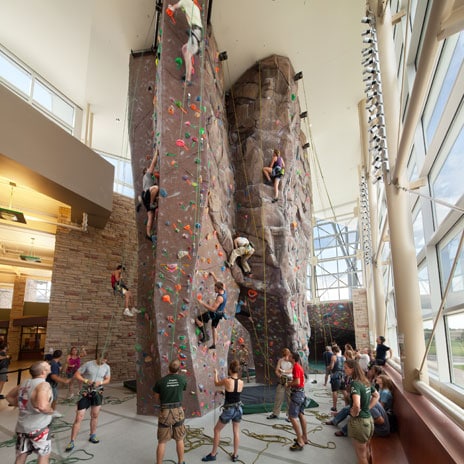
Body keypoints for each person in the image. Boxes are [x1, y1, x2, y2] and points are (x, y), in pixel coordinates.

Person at [6, 361, 60, 464]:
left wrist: (23, 405)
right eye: (47, 364)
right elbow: (42, 406)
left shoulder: (24, 383)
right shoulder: (44, 385)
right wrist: (52, 412)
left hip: (22, 428)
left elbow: (9, 397)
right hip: (39, 428)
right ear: (43, 371)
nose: (49, 364)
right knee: (43, 457)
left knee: (21, 456)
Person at [65, 352, 111, 451]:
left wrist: (101, 382)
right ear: (97, 357)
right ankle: (72, 441)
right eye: (101, 360)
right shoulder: (88, 364)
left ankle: (92, 435)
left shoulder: (107, 367)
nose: (102, 362)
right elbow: (77, 374)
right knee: (79, 417)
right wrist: (86, 381)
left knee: (95, 415)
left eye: (104, 361)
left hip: (98, 393)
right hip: (85, 392)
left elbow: (108, 379)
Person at [202, 360, 244, 462]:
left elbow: (216, 383)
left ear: (230, 370)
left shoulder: (227, 381)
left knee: (216, 430)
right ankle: (235, 455)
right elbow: (234, 394)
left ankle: (213, 454)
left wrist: (216, 374)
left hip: (229, 410)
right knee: (236, 431)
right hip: (239, 408)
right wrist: (224, 392)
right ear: (238, 371)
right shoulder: (241, 382)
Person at [344, 358, 379, 464]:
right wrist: (368, 408)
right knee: (366, 450)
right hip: (369, 420)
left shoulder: (355, 384)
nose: (344, 370)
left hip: (360, 423)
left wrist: (355, 413)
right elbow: (376, 395)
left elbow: (356, 404)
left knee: (361, 456)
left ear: (352, 369)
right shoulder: (365, 381)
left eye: (346, 368)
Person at [153, 359, 187, 464]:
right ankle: (181, 462)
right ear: (179, 369)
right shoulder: (182, 380)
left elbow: (156, 397)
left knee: (162, 441)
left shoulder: (160, 382)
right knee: (180, 439)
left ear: (169, 368)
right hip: (178, 411)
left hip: (165, 412)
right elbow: (183, 389)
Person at [167, 0, 203, 86]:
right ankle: (189, 69)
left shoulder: (185, 1)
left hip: (195, 31)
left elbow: (173, 8)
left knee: (187, 53)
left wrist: (170, 8)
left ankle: (188, 80)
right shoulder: (194, 6)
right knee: (184, 49)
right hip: (196, 32)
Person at [195, 273, 227, 350]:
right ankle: (214, 344)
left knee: (198, 319)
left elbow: (213, 309)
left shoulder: (219, 298)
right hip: (220, 313)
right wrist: (213, 275)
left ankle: (205, 335)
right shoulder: (223, 289)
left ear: (219, 289)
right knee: (214, 327)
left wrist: (202, 303)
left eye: (215, 289)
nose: (214, 289)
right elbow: (218, 281)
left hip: (214, 313)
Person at [325, 401, 390, 438]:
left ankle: (344, 431)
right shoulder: (365, 399)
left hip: (381, 429)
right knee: (348, 409)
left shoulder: (370, 406)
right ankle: (334, 421)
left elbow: (380, 421)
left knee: (357, 419)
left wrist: (364, 421)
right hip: (373, 421)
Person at [287, 352, 308, 451]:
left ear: (293, 358)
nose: (288, 357)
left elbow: (297, 382)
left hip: (297, 394)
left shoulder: (296, 367)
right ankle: (304, 437)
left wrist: (288, 384)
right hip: (301, 393)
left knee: (292, 417)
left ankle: (300, 441)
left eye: (290, 356)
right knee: (300, 414)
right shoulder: (298, 366)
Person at [267, 348, 293, 419]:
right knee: (278, 397)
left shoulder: (292, 360)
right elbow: (277, 370)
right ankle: (275, 413)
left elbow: (292, 370)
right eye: (285, 355)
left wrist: (284, 371)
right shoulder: (281, 360)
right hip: (282, 380)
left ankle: (290, 415)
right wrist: (280, 376)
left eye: (287, 355)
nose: (286, 357)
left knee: (289, 398)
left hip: (290, 380)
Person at [140, 149, 159, 240]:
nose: (149, 169)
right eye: (148, 169)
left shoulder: (146, 179)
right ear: (145, 171)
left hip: (144, 196)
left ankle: (148, 235)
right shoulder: (147, 175)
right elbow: (153, 164)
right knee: (156, 188)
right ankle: (151, 203)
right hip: (147, 195)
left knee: (150, 215)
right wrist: (156, 154)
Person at [329, 345, 345, 412]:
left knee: (335, 391)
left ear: (333, 351)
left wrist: (329, 367)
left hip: (335, 375)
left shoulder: (333, 357)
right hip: (342, 375)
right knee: (344, 390)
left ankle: (334, 407)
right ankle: (347, 404)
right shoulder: (343, 357)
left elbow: (332, 367)